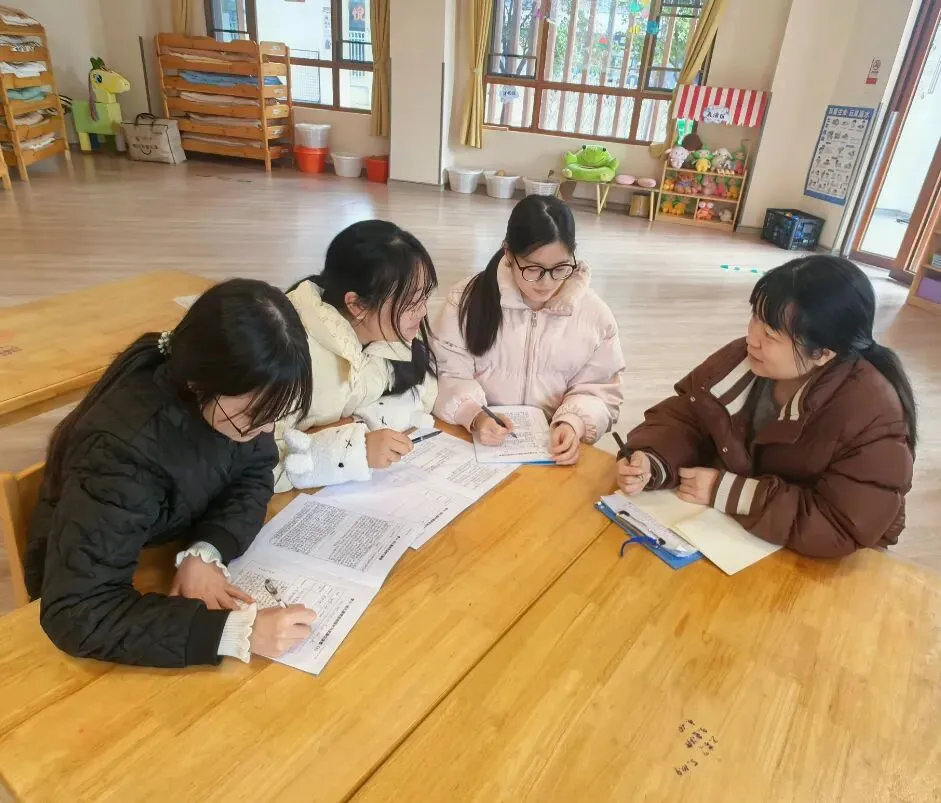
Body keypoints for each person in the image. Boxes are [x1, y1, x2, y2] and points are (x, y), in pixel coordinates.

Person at [25, 279, 318, 668]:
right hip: (87, 592)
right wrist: (235, 632)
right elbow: (78, 612)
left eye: (276, 414)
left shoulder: (231, 405)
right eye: (254, 416)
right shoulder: (121, 452)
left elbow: (252, 473)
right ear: (199, 381)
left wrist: (206, 551)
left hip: (153, 558)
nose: (266, 429)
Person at [617, 255, 917, 558]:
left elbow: (839, 524)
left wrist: (729, 492)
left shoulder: (872, 413)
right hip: (741, 533)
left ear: (823, 353)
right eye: (755, 318)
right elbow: (689, 417)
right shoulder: (745, 360)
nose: (752, 338)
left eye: (771, 335)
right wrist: (653, 459)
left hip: (829, 558)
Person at [432, 195, 624, 465]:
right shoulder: (465, 301)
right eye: (534, 268)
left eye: (560, 268)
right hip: (475, 444)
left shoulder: (595, 317)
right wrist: (474, 415)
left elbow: (601, 390)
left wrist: (573, 423)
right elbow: (445, 373)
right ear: (509, 254)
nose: (546, 283)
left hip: (549, 452)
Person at [274, 220, 439, 491]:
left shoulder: (386, 331)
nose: (422, 312)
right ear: (357, 304)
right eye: (410, 303)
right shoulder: (289, 353)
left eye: (424, 298)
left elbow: (425, 390)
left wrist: (357, 423)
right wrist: (355, 448)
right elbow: (258, 464)